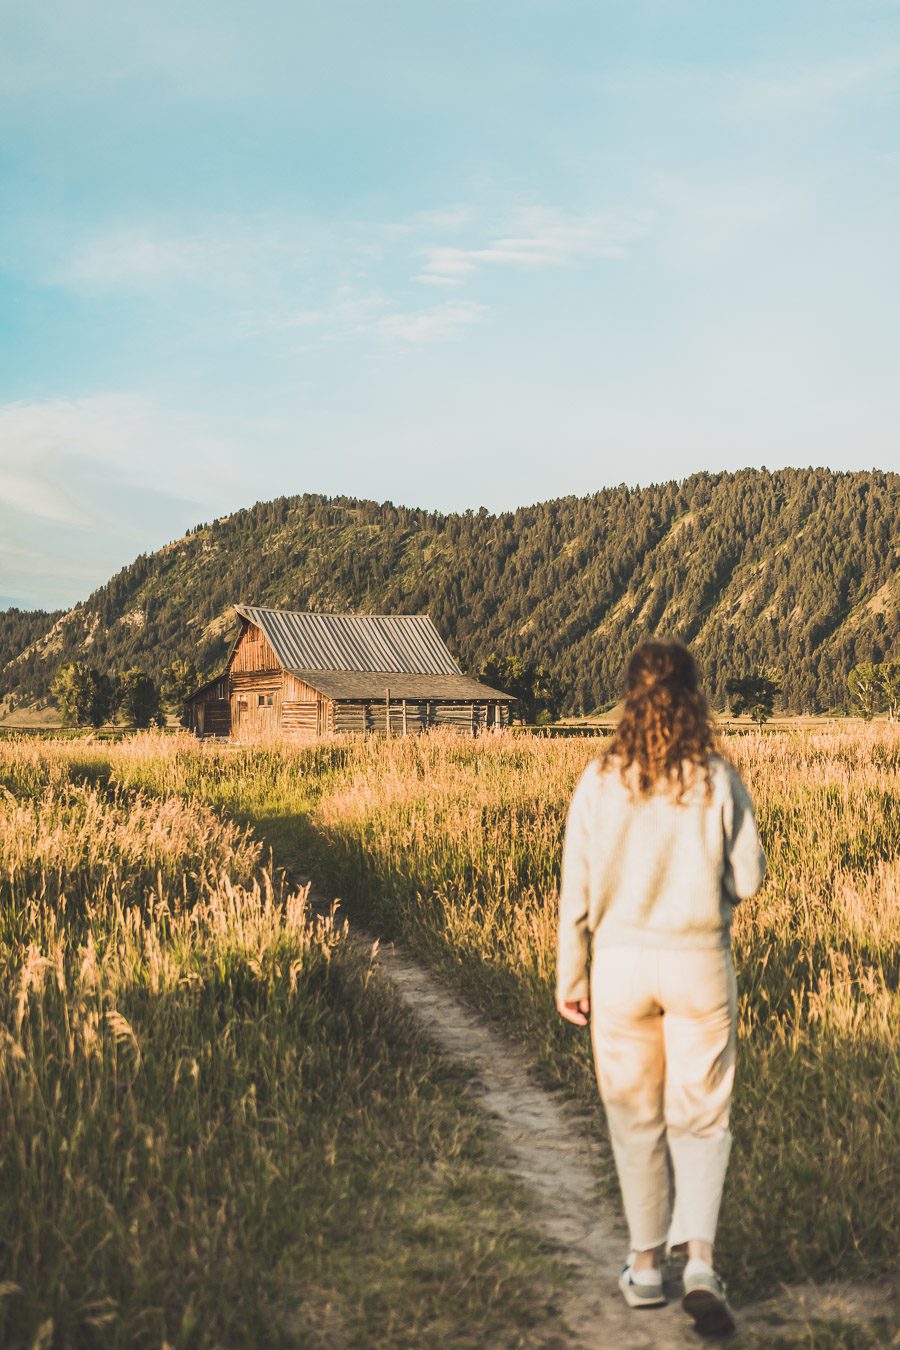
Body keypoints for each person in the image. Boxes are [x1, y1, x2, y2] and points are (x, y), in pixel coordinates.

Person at [556, 641, 765, 1336]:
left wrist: (571, 973)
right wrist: (719, 899)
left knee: (634, 1117)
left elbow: (575, 893)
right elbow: (752, 879)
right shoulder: (715, 776)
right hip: (699, 961)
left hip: (619, 967)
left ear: (630, 696)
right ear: (693, 696)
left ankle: (645, 1268)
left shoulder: (599, 780)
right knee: (702, 1116)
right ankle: (700, 1262)